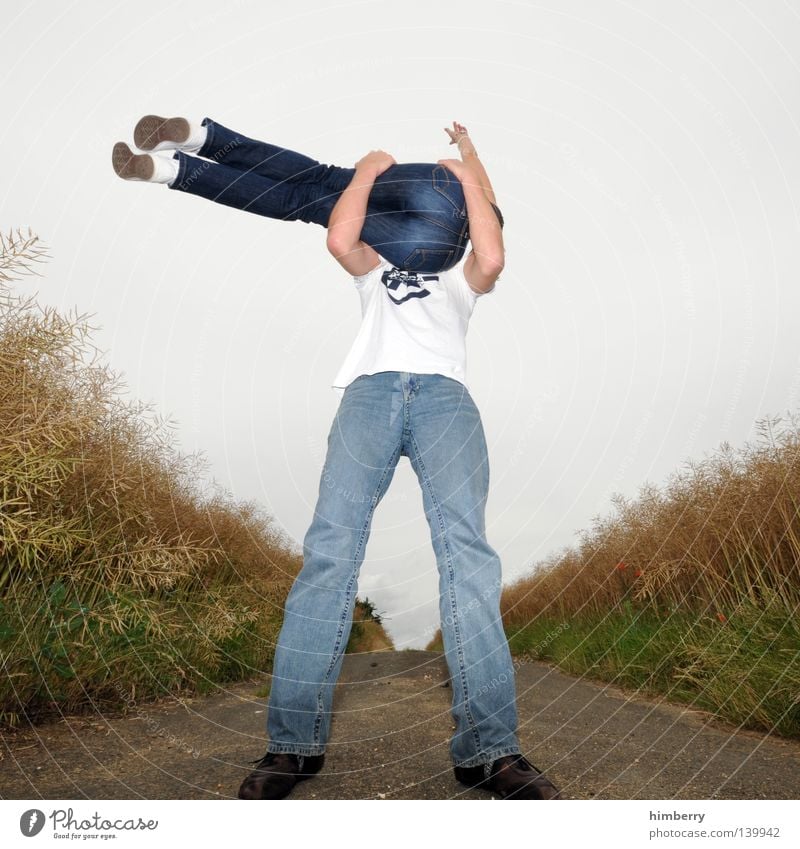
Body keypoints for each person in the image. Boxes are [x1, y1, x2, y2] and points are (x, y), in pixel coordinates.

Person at [225, 123, 562, 801]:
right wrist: (370, 169)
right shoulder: (377, 267)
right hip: (372, 394)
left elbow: (492, 256)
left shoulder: (463, 279)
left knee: (467, 557)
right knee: (329, 553)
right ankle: (291, 746)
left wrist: (466, 166)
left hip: (443, 399)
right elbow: (338, 236)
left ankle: (491, 751)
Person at [112, 117, 504, 273]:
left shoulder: (487, 208)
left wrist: (465, 148)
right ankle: (172, 170)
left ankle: (201, 138)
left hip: (446, 191)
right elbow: (490, 263)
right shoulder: (469, 281)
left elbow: (480, 186)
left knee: (323, 177)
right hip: (431, 253)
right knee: (302, 202)